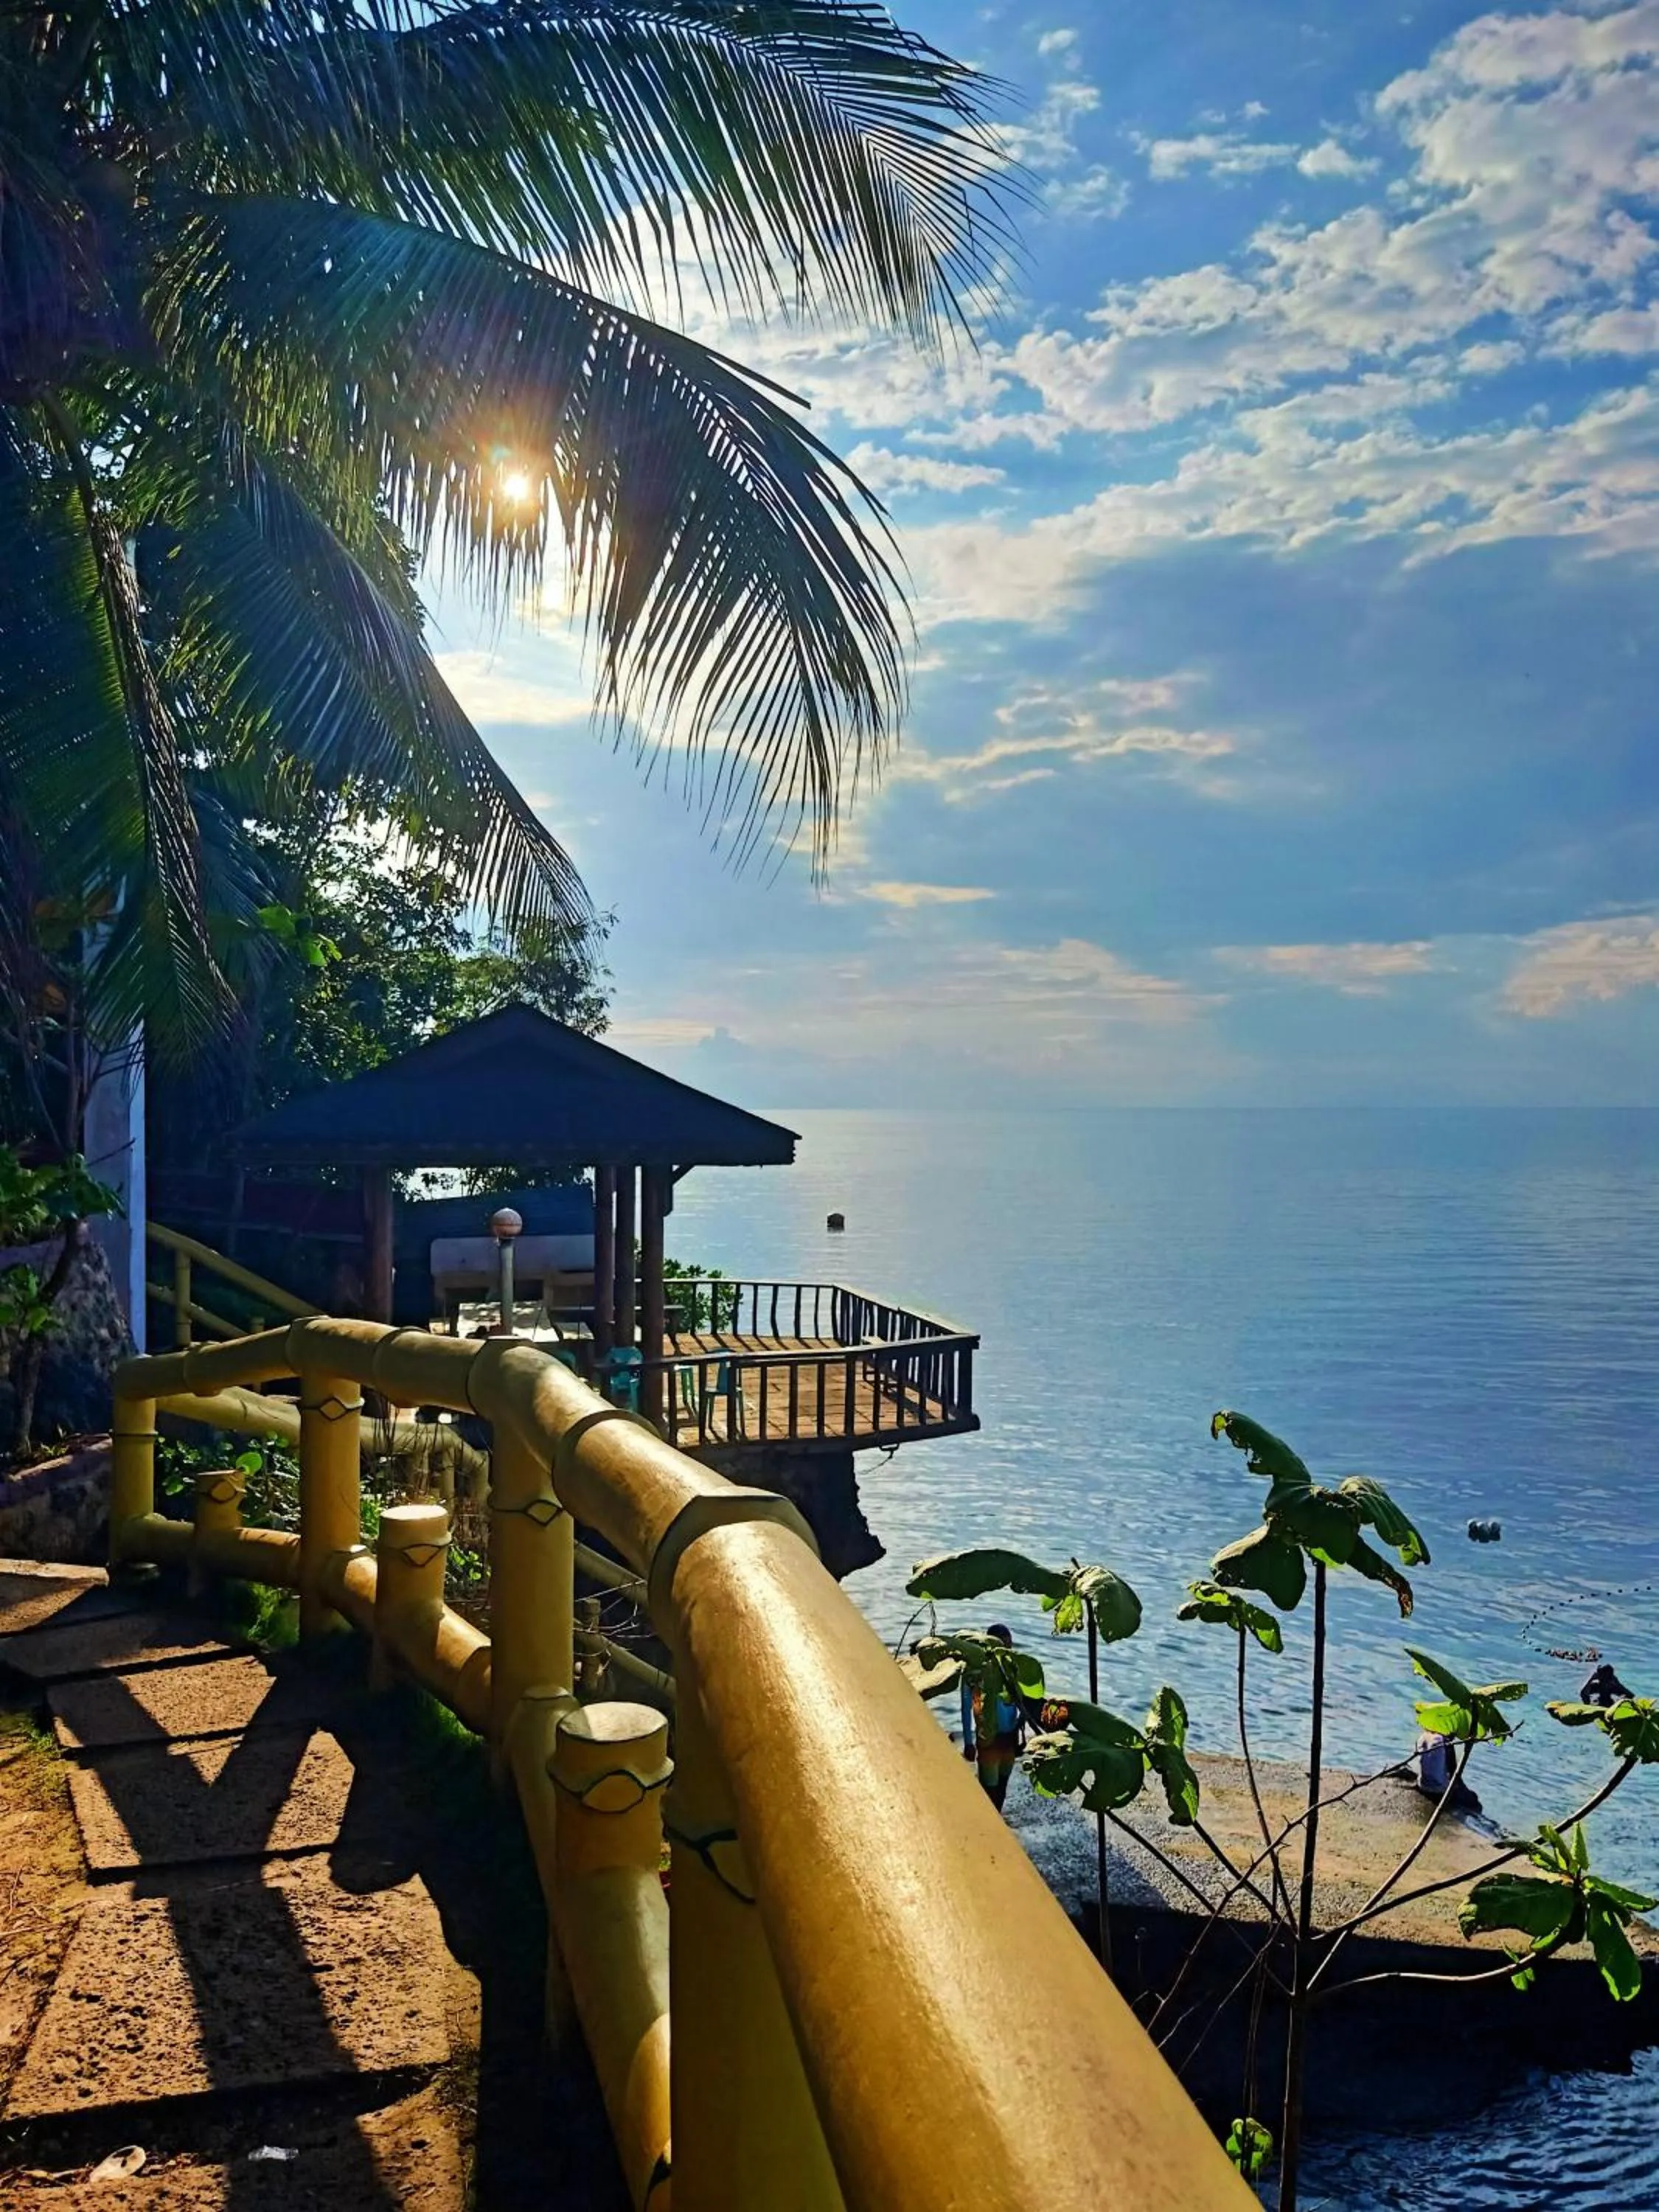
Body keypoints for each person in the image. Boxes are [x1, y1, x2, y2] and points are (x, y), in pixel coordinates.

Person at [961, 1622, 1026, 1811]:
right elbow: (968, 1706)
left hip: (1010, 1738)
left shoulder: (1013, 1669)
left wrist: (1023, 1721)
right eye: (1003, 1644)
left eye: (1009, 1645)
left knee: (1001, 1791)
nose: (1007, 1649)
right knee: (989, 1795)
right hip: (989, 1738)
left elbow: (1024, 1700)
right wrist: (968, 1742)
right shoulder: (976, 1671)